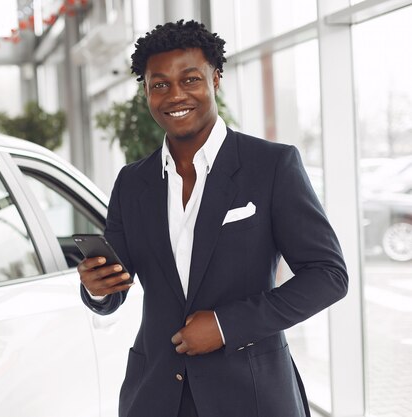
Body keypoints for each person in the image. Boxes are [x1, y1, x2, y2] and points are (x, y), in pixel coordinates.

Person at [77, 20, 348, 417]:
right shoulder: (132, 182)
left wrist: (226, 325)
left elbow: (328, 275)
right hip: (155, 394)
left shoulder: (271, 165)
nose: (175, 95)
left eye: (190, 79)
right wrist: (99, 287)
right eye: (159, 84)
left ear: (215, 78)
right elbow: (116, 285)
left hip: (250, 394)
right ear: (147, 91)